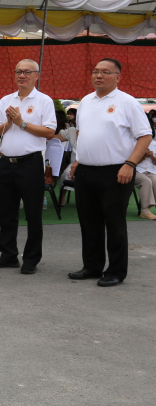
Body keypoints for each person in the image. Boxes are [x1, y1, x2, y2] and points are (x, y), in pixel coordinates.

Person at [68, 58, 152, 287]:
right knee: (89, 221)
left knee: (114, 223)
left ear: (118, 77)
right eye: (95, 71)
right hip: (86, 170)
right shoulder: (85, 101)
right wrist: (77, 160)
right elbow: (83, 133)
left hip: (116, 171)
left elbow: (145, 136)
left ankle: (116, 271)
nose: (98, 76)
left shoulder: (127, 102)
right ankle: (92, 266)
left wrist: (130, 164)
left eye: (105, 72)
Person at [0, 59, 57, 274]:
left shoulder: (44, 101)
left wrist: (21, 123)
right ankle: (8, 254)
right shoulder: (5, 100)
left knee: (33, 213)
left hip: (30, 163)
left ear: (37, 75)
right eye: (19, 71)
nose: (22, 75)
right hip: (6, 163)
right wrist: (9, 124)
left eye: (27, 72)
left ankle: (31, 259)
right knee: (7, 213)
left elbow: (49, 132)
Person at [134, 119, 156, 220]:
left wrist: (152, 156)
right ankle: (145, 210)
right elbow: (128, 163)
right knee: (146, 181)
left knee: (155, 181)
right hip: (135, 171)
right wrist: (141, 157)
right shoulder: (132, 143)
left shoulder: (154, 144)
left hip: (151, 171)